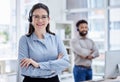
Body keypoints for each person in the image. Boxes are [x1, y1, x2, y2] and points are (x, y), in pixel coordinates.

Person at [18, 3, 70, 82]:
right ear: (31, 19)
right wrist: (53, 68)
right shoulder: (24, 40)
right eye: (36, 17)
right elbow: (25, 70)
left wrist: (38, 65)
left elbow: (65, 62)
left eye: (44, 17)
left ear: (48, 19)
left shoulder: (56, 38)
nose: (40, 20)